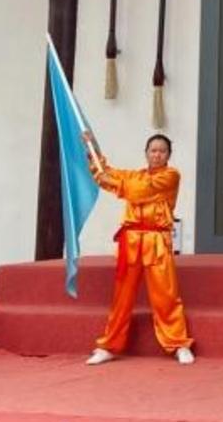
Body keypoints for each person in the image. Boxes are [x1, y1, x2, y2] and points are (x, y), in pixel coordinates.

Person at [80, 132, 195, 367]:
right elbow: (106, 174)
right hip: (131, 241)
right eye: (153, 150)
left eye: (162, 151)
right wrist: (92, 149)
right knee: (121, 297)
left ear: (168, 155)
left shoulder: (171, 176)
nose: (157, 154)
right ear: (146, 153)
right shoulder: (134, 176)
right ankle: (109, 346)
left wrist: (110, 180)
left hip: (157, 240)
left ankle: (178, 344)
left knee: (166, 295)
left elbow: (139, 190)